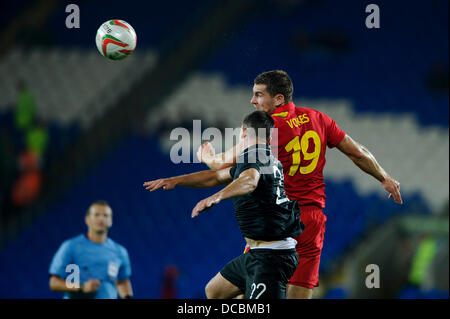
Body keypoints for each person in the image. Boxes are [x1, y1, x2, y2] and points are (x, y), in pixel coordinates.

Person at [196, 70, 403, 299]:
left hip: (276, 221)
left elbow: (220, 165)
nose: (252, 101)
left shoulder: (266, 130)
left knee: (240, 291)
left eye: (258, 95)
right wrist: (385, 178)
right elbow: (357, 153)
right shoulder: (318, 118)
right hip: (311, 221)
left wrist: (206, 155)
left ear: (278, 99)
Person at [144, 111, 304, 299]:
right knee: (215, 291)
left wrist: (216, 197)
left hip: (271, 258)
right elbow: (216, 176)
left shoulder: (252, 157)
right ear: (269, 137)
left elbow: (250, 180)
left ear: (243, 132)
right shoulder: (263, 157)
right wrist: (176, 180)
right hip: (256, 253)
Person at [49, 200, 133, 299]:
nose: (101, 219)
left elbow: (122, 281)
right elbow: (54, 283)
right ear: (87, 219)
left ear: (111, 221)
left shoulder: (120, 252)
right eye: (96, 215)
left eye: (105, 216)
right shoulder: (70, 247)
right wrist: (82, 287)